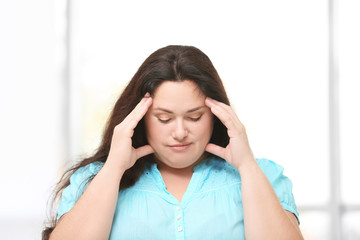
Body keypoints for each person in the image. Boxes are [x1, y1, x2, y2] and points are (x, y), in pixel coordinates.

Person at [42, 45, 303, 240]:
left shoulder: (263, 176)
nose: (180, 132)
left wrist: (246, 166)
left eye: (195, 116)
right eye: (164, 118)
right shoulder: (95, 179)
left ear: (216, 115)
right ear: (140, 118)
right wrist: (113, 169)